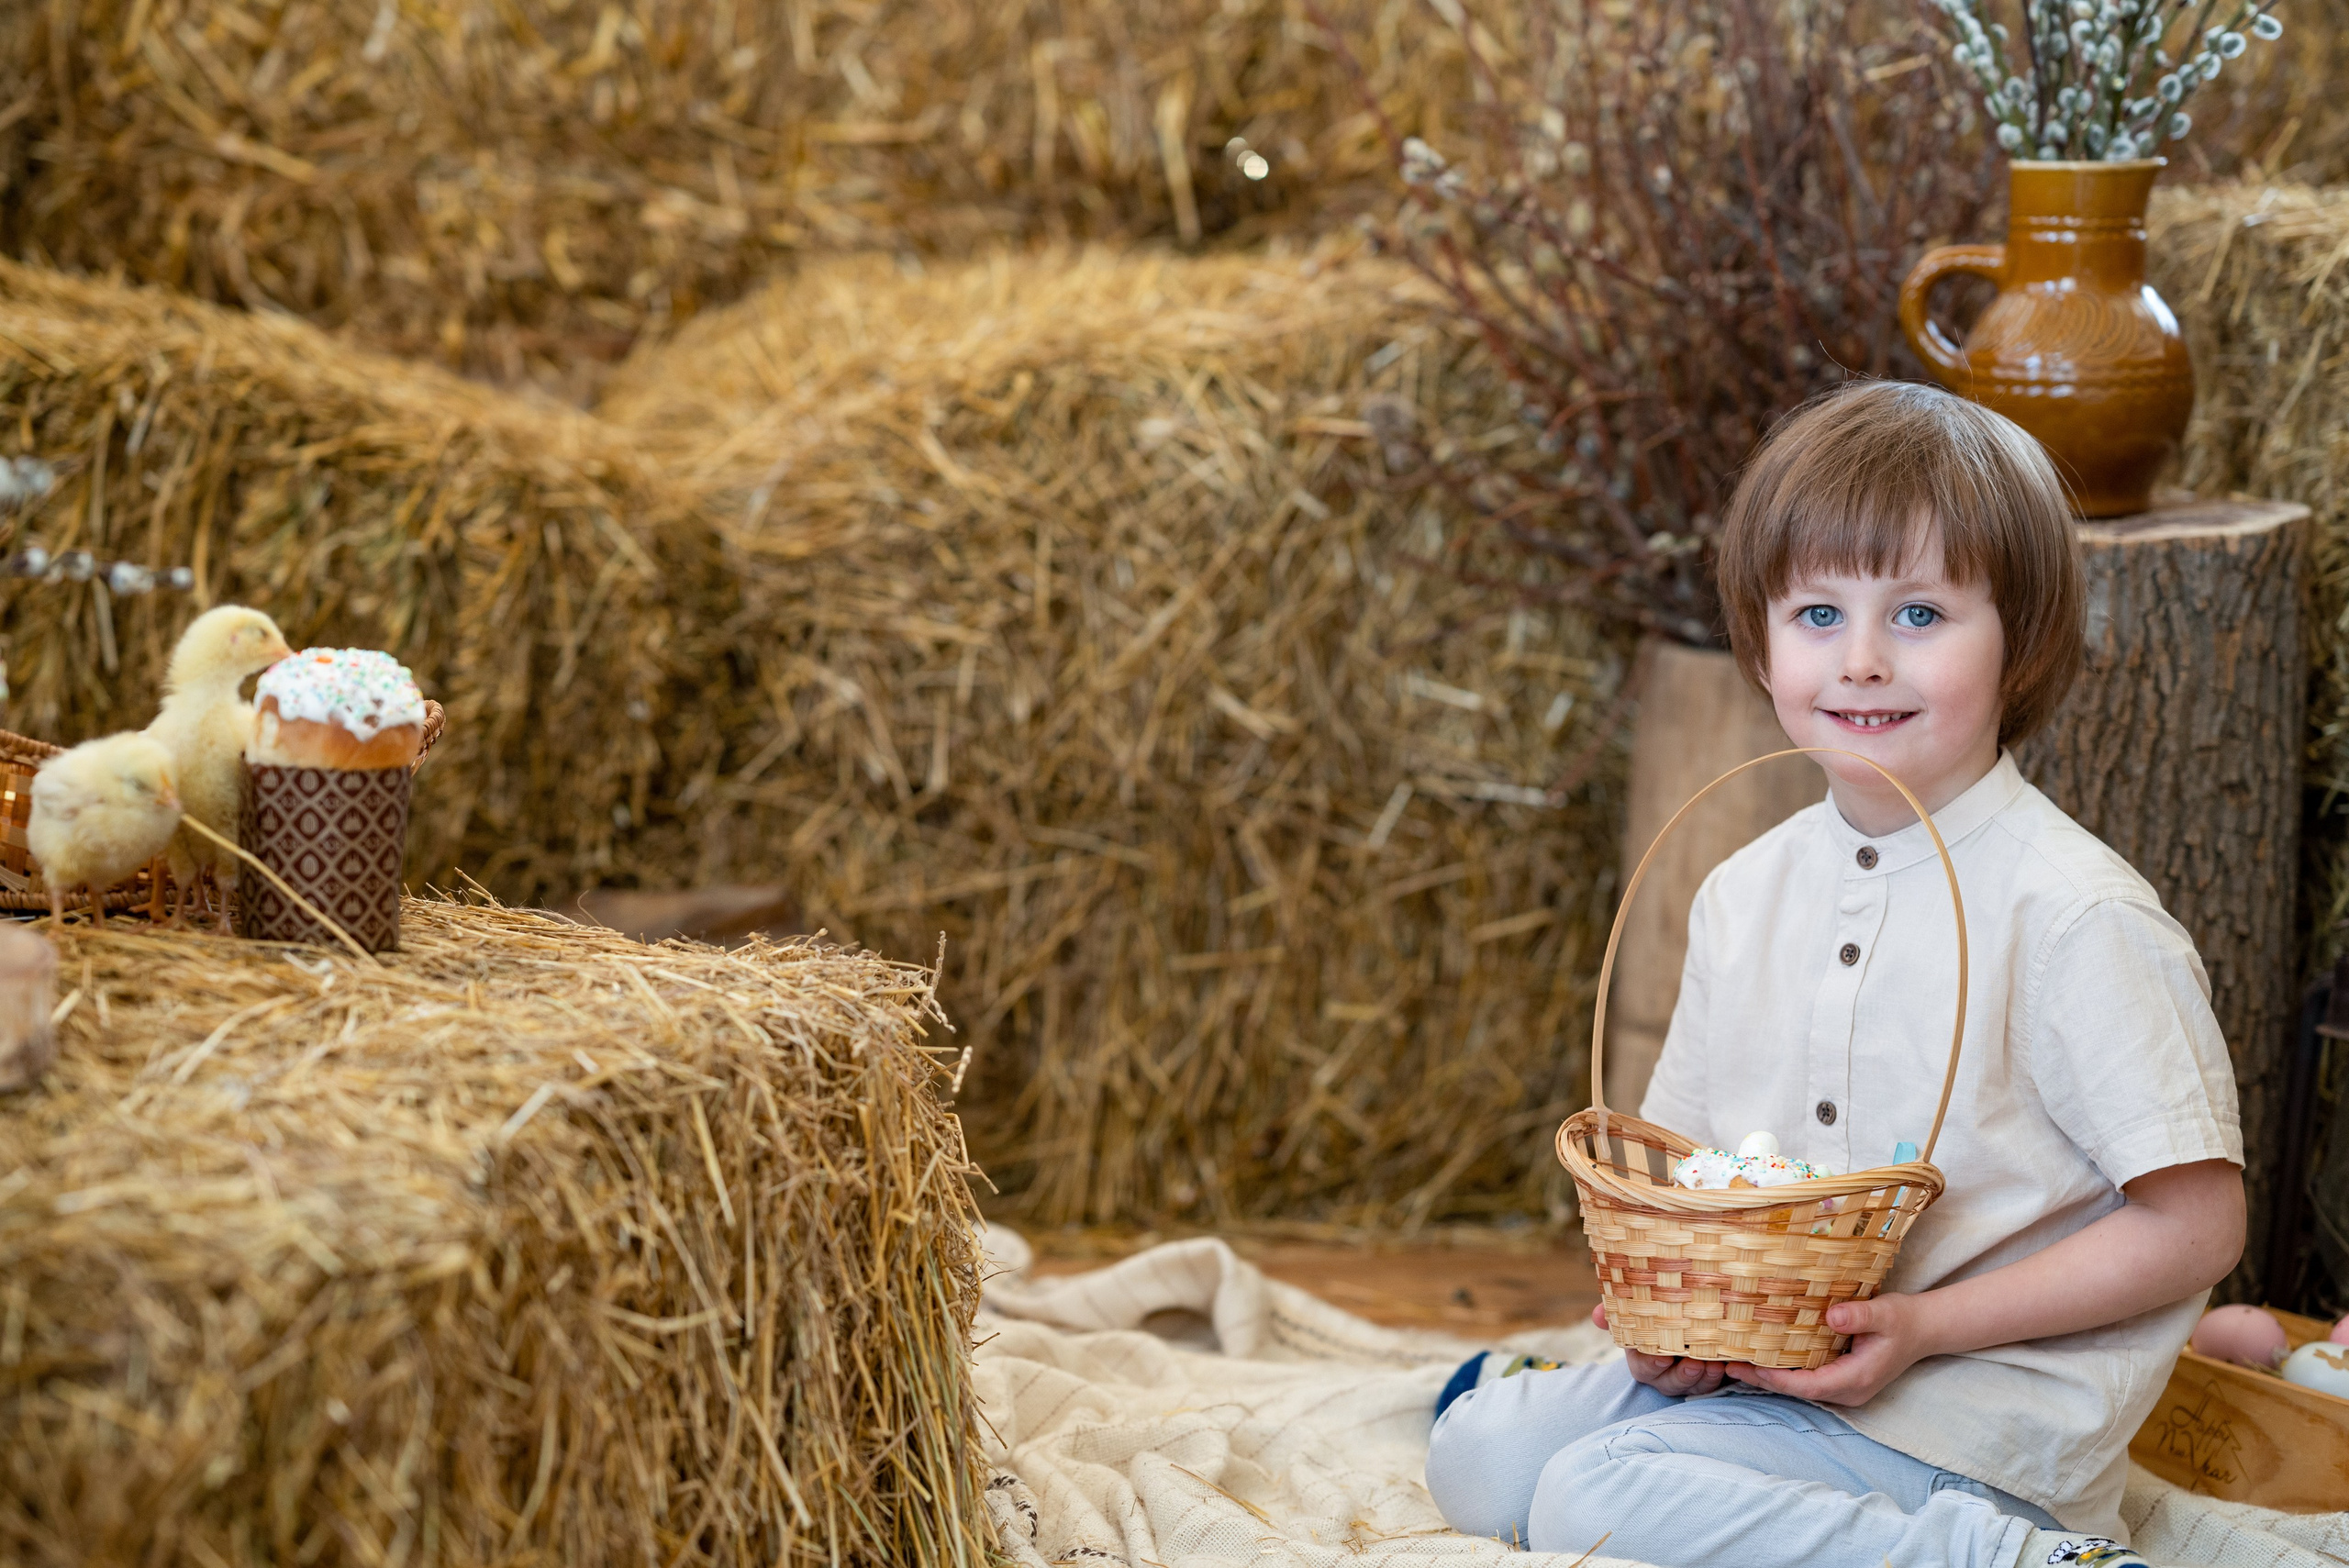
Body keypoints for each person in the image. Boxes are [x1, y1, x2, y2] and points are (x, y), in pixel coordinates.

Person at [1423, 381, 2244, 1568]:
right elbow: (1687, 1177)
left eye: (1919, 613)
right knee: (1479, 1458)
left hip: (1972, 1420)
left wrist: (1922, 1324)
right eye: (1817, 612)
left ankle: (2016, 1557)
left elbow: (2199, 1221)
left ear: (2022, 640)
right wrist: (1669, 1323)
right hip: (1773, 1377)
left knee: (1591, 1496)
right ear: (1757, 639)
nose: (1861, 660)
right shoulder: (1742, 890)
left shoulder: (2073, 912)